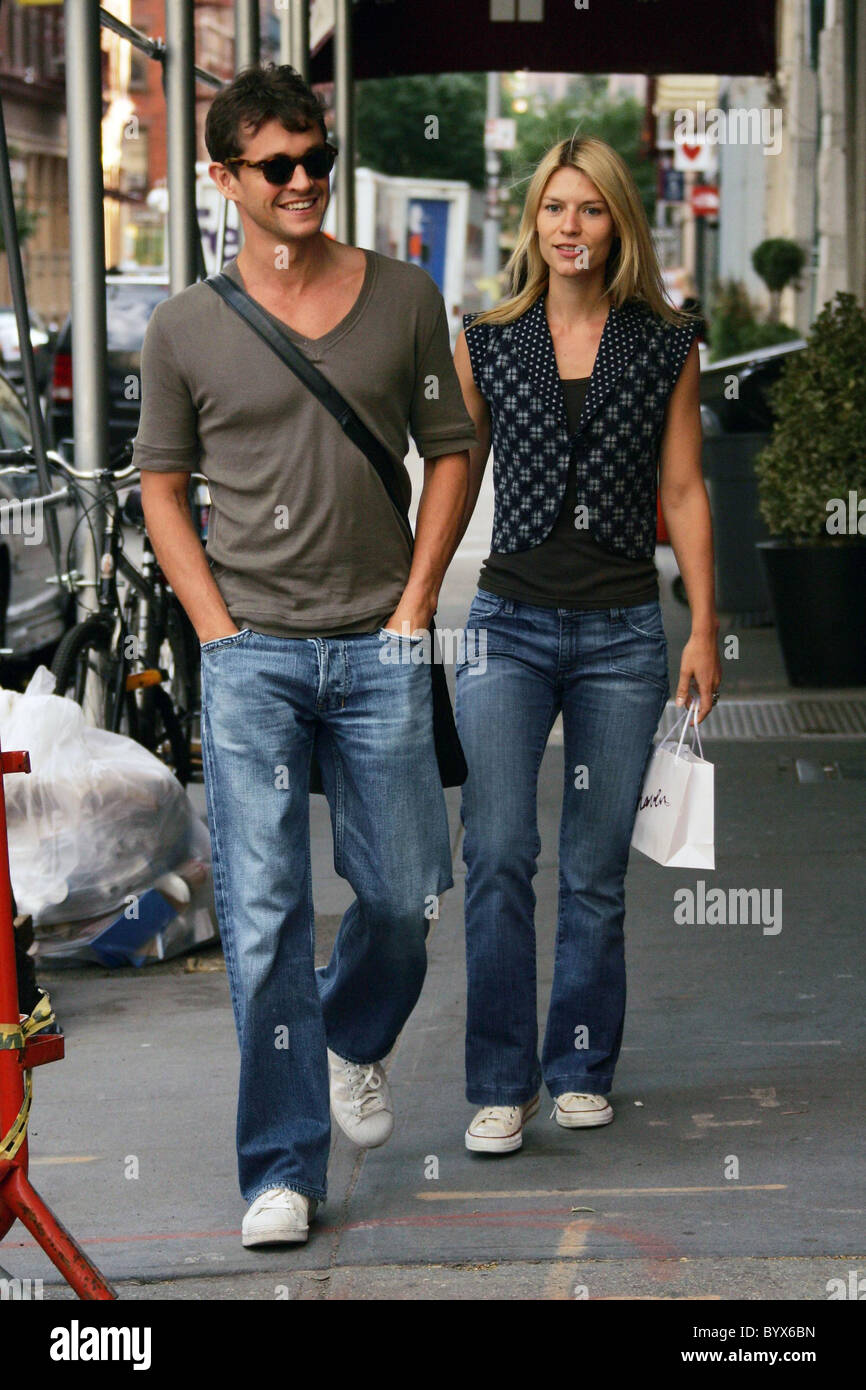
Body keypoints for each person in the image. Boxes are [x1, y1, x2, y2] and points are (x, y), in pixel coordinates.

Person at [135, 65, 476, 1245]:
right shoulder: (182, 325)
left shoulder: (405, 297)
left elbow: (449, 448)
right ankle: (281, 1169)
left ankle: (351, 1034)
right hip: (254, 661)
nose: (302, 182)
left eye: (315, 158)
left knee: (399, 896)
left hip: (380, 646)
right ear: (223, 179)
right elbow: (161, 488)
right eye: (275, 165)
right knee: (269, 911)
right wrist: (215, 631)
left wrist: (416, 603)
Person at [452, 135, 721, 1155]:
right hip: (507, 627)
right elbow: (454, 479)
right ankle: (496, 1081)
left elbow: (686, 487)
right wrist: (412, 598)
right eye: (554, 207)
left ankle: (575, 1064)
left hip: (620, 632)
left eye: (591, 209)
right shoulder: (485, 342)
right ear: (532, 221)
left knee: (596, 866)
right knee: (497, 853)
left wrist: (703, 621)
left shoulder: (664, 343)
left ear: (618, 223)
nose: (569, 225)